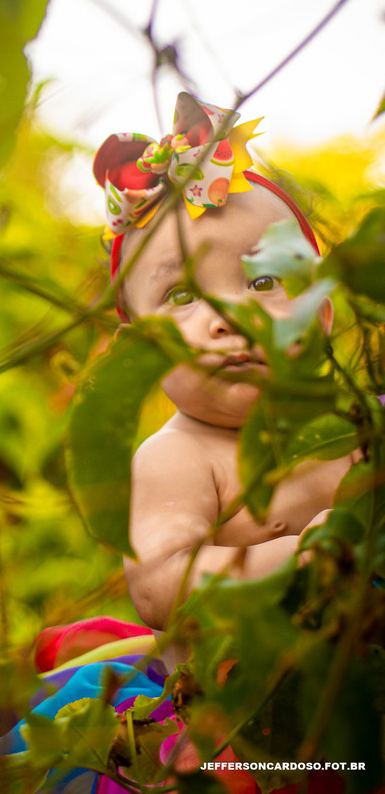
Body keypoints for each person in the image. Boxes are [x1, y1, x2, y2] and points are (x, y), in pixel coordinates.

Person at [92, 93, 353, 631]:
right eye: (183, 296)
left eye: (262, 283)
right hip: (233, 699)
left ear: (320, 317)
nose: (229, 317)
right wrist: (299, 559)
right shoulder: (179, 459)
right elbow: (161, 585)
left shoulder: (355, 426)